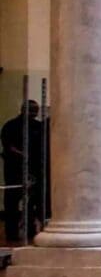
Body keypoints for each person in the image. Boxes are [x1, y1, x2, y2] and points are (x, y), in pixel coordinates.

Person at [2, 100, 45, 244]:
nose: (34, 113)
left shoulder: (38, 126)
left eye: (36, 110)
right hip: (15, 168)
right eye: (32, 110)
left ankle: (29, 230)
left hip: (33, 168)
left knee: (32, 201)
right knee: (13, 201)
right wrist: (25, 156)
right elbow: (9, 147)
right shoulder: (11, 126)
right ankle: (12, 232)